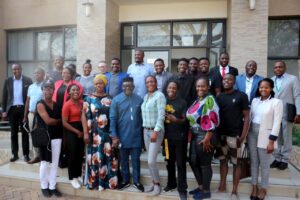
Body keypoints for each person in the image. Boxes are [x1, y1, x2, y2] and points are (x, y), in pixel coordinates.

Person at [216, 73, 250, 199]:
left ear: (234, 81)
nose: (226, 81)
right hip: (221, 135)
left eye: (229, 79)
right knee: (222, 162)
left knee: (237, 163)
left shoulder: (241, 96)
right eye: (225, 79)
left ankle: (235, 191)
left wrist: (242, 136)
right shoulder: (219, 97)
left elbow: (247, 117)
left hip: (235, 135)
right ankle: (222, 186)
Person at [82, 74, 118, 191]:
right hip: (93, 135)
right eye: (96, 83)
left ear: (105, 84)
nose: (98, 85)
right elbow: (83, 116)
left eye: (100, 83)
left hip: (107, 134)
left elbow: (114, 117)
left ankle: (106, 183)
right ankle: (95, 183)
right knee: (95, 157)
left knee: (107, 157)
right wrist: (86, 133)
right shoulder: (88, 98)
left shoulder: (110, 98)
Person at [248, 78, 283, 200]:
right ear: (259, 88)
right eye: (261, 87)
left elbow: (277, 122)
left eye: (266, 87)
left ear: (271, 89)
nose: (263, 89)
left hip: (266, 136)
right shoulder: (254, 101)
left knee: (264, 164)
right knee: (254, 163)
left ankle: (263, 189)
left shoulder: (276, 102)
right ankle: (254, 187)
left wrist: (271, 141)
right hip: (252, 133)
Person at [187, 77, 220, 200]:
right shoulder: (199, 99)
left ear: (208, 87)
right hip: (196, 135)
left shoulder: (210, 99)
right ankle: (201, 186)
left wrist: (207, 138)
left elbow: (211, 118)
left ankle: (206, 190)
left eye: (202, 86)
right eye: (198, 86)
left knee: (205, 164)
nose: (200, 88)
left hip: (206, 135)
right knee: (193, 160)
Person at [109, 77, 144, 192]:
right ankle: (125, 180)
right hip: (122, 137)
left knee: (136, 160)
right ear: (122, 87)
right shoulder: (116, 100)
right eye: (125, 86)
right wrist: (114, 136)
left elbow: (143, 119)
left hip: (136, 136)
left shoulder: (139, 99)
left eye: (130, 86)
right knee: (123, 160)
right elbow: (113, 119)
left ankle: (137, 181)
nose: (127, 88)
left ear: (133, 87)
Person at [270, 61, 300, 170]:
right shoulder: (271, 80)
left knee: (287, 136)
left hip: (288, 111)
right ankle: (277, 158)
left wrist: (298, 112)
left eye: (280, 67)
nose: (278, 69)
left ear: (285, 68)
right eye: (276, 67)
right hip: (274, 113)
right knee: (275, 135)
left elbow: (297, 96)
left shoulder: (293, 79)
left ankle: (285, 160)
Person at [37, 80, 63, 198]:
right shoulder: (40, 104)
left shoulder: (57, 105)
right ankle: (44, 186)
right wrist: (58, 121)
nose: (48, 90)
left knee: (54, 163)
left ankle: (52, 186)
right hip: (44, 138)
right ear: (42, 90)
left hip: (57, 137)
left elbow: (57, 122)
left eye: (50, 88)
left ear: (53, 90)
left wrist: (57, 122)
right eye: (45, 88)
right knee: (44, 163)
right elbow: (48, 121)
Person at [2, 63, 33, 162]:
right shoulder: (8, 81)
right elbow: (4, 96)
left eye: (18, 69)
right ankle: (14, 154)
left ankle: (26, 155)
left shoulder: (28, 80)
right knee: (13, 133)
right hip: (12, 110)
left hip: (24, 110)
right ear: (12, 70)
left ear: (21, 69)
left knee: (25, 132)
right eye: (14, 69)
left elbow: (30, 96)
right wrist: (4, 111)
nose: (16, 71)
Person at [163, 80, 188, 200]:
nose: (172, 90)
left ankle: (182, 189)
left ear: (177, 90)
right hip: (167, 140)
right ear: (167, 89)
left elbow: (185, 120)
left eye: (174, 88)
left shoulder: (182, 102)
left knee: (181, 164)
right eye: (170, 88)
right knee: (169, 162)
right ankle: (171, 183)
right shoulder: (163, 101)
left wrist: (175, 120)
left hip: (180, 139)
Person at [141, 75, 166, 196]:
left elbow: (162, 115)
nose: (149, 83)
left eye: (152, 81)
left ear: (156, 83)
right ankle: (153, 181)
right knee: (148, 160)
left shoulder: (160, 96)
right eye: (147, 82)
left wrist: (155, 132)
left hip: (155, 131)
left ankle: (157, 184)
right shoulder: (146, 96)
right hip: (145, 131)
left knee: (151, 161)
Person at [62, 84, 84, 189]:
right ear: (69, 92)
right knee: (73, 155)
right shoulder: (67, 105)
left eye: (77, 90)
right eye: (73, 90)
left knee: (80, 154)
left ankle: (78, 175)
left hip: (81, 129)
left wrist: (83, 131)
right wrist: (77, 131)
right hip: (72, 130)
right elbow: (64, 123)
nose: (76, 91)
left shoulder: (82, 102)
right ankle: (72, 177)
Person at [23, 67, 45, 164]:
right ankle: (36, 156)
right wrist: (25, 116)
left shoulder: (46, 86)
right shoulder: (31, 87)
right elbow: (28, 101)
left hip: (42, 115)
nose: (36, 75)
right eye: (35, 73)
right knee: (33, 135)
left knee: (42, 134)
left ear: (43, 75)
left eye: (38, 73)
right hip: (31, 114)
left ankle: (43, 155)